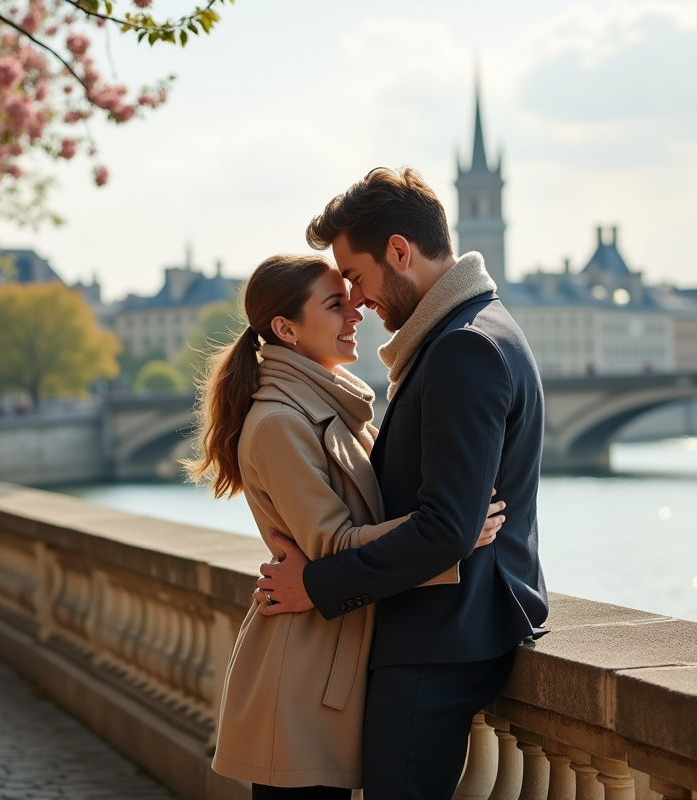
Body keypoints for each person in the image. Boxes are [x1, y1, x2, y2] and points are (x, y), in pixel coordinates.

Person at [255, 167, 549, 800]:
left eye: (355, 277)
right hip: (442, 636)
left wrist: (316, 584)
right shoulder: (477, 330)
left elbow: (447, 529)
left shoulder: (461, 348)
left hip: (436, 643)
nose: (356, 300)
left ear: (399, 251)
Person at [187, 254, 506, 800]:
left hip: (331, 653)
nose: (356, 311)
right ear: (286, 329)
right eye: (335, 304)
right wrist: (449, 532)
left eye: (350, 296)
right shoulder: (280, 423)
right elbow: (332, 545)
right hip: (303, 674)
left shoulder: (330, 410)